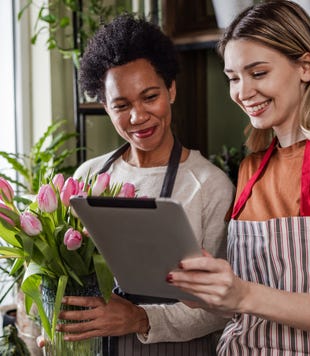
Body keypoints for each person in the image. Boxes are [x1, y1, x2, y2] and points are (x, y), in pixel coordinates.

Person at [167, 1, 310, 355]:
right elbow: (249, 303)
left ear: (305, 66)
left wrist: (244, 294)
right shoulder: (252, 168)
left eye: (258, 73)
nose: (242, 92)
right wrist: (210, 295)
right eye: (233, 78)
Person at [54, 13, 235, 356]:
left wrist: (139, 319)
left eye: (150, 97)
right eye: (122, 105)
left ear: (172, 90)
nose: (138, 116)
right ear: (106, 107)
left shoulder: (209, 185)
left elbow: (222, 309)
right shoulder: (87, 177)